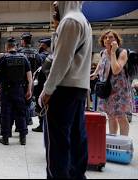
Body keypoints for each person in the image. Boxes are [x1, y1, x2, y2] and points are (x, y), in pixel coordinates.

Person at [39, 1, 92, 178]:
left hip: (63, 91)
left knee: (57, 145)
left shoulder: (70, 22)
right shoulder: (83, 21)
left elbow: (61, 61)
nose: (54, 4)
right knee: (77, 140)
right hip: (77, 90)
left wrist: (47, 91)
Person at [0, 37, 32, 145]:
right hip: (20, 90)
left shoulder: (3, 58)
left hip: (6, 91)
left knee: (6, 113)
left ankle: (5, 138)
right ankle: (22, 138)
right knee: (21, 113)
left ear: (7, 47)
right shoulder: (23, 58)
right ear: (16, 46)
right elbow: (29, 77)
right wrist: (29, 90)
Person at [90, 30, 132, 136]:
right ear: (103, 41)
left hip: (120, 90)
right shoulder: (103, 52)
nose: (108, 39)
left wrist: (113, 52)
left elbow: (116, 70)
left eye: (111, 37)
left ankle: (123, 142)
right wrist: (95, 73)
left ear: (116, 40)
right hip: (107, 89)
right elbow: (101, 63)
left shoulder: (122, 52)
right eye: (106, 38)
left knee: (121, 117)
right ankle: (114, 140)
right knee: (111, 116)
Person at [32, 38, 51, 133]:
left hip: (40, 84)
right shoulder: (53, 55)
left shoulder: (39, 56)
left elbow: (35, 70)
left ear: (44, 46)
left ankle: (41, 125)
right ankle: (48, 125)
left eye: (41, 44)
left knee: (40, 104)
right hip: (51, 84)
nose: (39, 46)